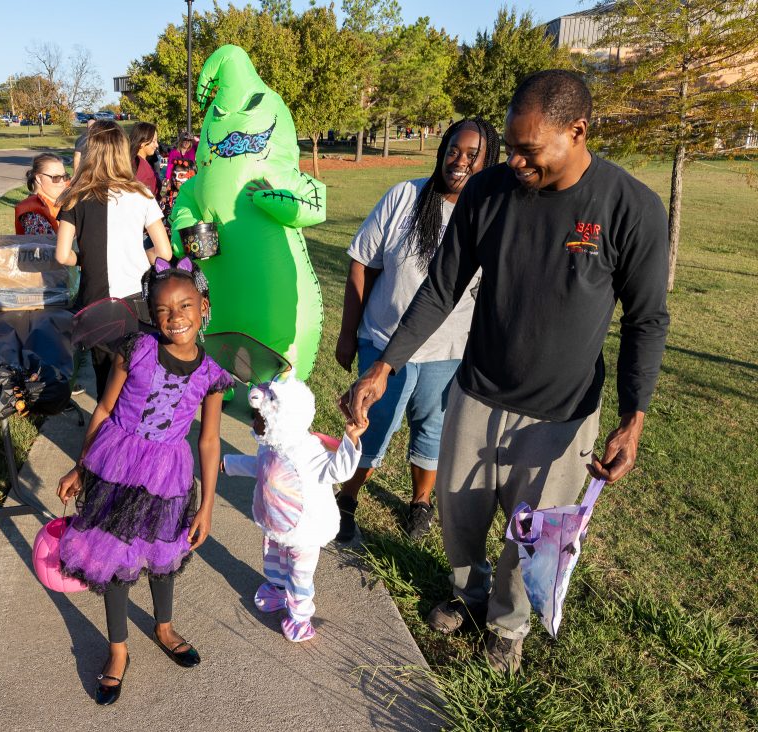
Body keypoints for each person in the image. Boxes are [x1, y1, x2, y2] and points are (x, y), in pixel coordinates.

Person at [340, 70, 670, 673]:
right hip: (477, 391)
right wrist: (385, 364)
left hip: (561, 414)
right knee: (460, 518)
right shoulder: (488, 193)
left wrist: (634, 417)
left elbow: (646, 320)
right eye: (511, 148)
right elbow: (442, 288)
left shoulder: (631, 208)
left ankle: (508, 624)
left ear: (577, 132)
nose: (514, 162)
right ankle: (469, 595)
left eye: (529, 150)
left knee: (531, 536)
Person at [56, 257, 233, 706]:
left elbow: (209, 442)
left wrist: (208, 504)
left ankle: (164, 626)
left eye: (186, 306)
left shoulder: (212, 376)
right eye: (164, 310)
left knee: (162, 550)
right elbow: (101, 410)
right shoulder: (134, 350)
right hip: (117, 462)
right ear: (151, 315)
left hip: (168, 472)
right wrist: (81, 465)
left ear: (204, 306)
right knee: (114, 556)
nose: (176, 317)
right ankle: (118, 652)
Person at [334, 118, 500, 544]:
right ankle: (347, 497)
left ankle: (420, 502)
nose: (459, 161)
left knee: (433, 427)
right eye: (453, 150)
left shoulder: (488, 214)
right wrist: (348, 332)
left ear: (488, 162)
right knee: (372, 423)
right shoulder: (405, 197)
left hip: (448, 349)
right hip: (384, 341)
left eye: (471, 155)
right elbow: (362, 262)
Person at [222, 377, 366, 642]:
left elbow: (339, 470)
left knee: (300, 576)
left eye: (259, 418)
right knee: (273, 559)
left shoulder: (309, 450)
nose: (254, 423)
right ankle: (277, 589)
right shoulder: (270, 445)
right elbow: (260, 467)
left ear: (282, 418)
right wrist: (229, 464)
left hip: (305, 530)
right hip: (276, 522)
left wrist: (351, 440)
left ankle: (300, 617)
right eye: (255, 417)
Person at [53, 120, 173, 398]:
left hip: (96, 303)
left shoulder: (75, 197)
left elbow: (62, 254)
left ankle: (105, 433)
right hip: (135, 302)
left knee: (106, 380)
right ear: (122, 152)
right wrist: (138, 254)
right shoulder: (141, 193)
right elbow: (164, 253)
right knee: (137, 377)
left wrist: (85, 258)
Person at [14, 153, 69, 235]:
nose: (62, 182)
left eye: (64, 177)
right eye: (56, 178)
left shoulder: (59, 202)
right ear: (39, 179)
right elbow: (46, 246)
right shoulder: (33, 215)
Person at [129, 121, 161, 201]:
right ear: (142, 143)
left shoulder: (138, 162)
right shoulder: (138, 165)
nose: (157, 145)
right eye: (153, 141)